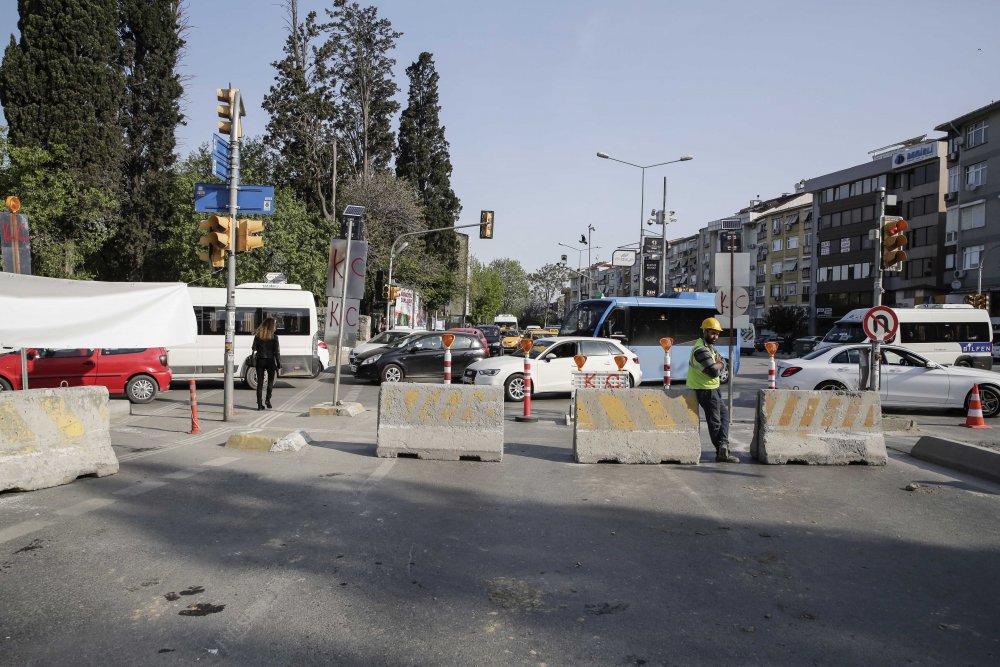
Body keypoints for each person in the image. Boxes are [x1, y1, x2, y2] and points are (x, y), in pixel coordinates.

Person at [687, 317, 738, 463]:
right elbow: (714, 371)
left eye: (717, 334)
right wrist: (721, 363)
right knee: (715, 422)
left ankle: (723, 445)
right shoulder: (701, 349)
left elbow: (719, 363)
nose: (715, 336)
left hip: (712, 389)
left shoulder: (708, 347)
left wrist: (719, 362)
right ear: (704, 331)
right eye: (712, 333)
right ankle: (721, 452)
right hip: (706, 390)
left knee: (724, 416)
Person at [252, 316, 281, 410]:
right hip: (270, 361)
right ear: (272, 326)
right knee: (270, 382)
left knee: (260, 383)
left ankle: (259, 405)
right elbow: (276, 352)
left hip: (260, 360)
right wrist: (279, 363)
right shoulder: (274, 337)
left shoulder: (257, 336)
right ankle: (267, 399)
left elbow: (254, 348)